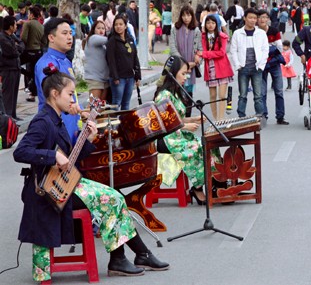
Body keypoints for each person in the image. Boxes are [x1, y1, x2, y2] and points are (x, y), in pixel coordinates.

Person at [14, 66, 168, 282]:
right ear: (55, 94)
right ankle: (129, 257)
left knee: (115, 196)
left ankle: (132, 256)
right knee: (112, 198)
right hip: (48, 194)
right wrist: (52, 156)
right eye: (70, 94)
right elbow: (21, 152)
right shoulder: (42, 121)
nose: (73, 100)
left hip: (64, 184)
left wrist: (87, 139)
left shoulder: (55, 119)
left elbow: (70, 158)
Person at [155, 56, 216, 204]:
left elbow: (176, 119)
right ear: (172, 74)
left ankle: (215, 181)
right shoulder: (164, 96)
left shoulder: (175, 93)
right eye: (183, 73)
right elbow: (164, 124)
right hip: (167, 140)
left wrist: (192, 120)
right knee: (196, 147)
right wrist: (184, 126)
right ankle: (198, 187)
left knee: (208, 144)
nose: (185, 77)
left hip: (177, 136)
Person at [229, 8, 269, 118]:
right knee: (242, 95)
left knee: (258, 95)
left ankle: (260, 117)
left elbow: (265, 50)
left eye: (255, 18)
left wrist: (261, 66)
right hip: (243, 68)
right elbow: (233, 50)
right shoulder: (237, 33)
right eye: (250, 17)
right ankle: (241, 117)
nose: (253, 20)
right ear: (245, 18)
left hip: (257, 68)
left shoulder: (261, 33)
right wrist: (238, 65)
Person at [169, 5, 202, 117]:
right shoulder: (175, 29)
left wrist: (197, 58)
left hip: (191, 69)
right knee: (177, 94)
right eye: (183, 15)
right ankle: (178, 119)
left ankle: (187, 118)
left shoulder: (196, 30)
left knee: (188, 95)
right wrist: (183, 63)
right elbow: (173, 48)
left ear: (192, 16)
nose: (186, 18)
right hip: (179, 67)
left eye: (188, 15)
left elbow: (200, 49)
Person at [257, 10, 289, 125]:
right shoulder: (254, 32)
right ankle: (263, 115)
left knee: (279, 90)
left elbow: (279, 47)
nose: (262, 20)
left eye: (265, 17)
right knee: (262, 92)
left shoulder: (274, 31)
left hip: (274, 63)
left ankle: (280, 116)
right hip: (260, 64)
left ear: (268, 19)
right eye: (260, 17)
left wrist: (269, 52)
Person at [200, 15, 234, 121]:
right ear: (205, 24)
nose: (210, 25)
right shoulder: (202, 37)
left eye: (213, 23)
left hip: (222, 68)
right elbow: (198, 51)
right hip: (209, 68)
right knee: (212, 96)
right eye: (208, 22)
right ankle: (215, 120)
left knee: (222, 95)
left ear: (217, 24)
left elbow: (222, 53)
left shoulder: (222, 36)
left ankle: (221, 119)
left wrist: (205, 54)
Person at [106, 14, 142, 110]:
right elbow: (110, 60)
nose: (118, 26)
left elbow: (135, 57)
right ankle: (114, 125)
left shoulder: (130, 39)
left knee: (126, 104)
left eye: (121, 24)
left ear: (125, 26)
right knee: (116, 103)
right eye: (116, 24)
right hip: (118, 78)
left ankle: (124, 124)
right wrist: (115, 77)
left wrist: (138, 75)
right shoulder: (112, 40)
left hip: (130, 77)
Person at [0, 15, 25, 120]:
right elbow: (13, 52)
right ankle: (8, 117)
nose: (16, 26)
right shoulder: (2, 37)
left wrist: (18, 47)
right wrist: (18, 48)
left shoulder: (12, 36)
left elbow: (21, 44)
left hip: (16, 67)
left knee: (14, 93)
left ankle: (13, 114)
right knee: (8, 94)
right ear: (10, 26)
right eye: (15, 24)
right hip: (8, 69)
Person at [21, 6, 45, 102]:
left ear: (31, 14)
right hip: (38, 52)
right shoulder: (41, 26)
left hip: (28, 51)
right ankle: (33, 94)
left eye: (28, 14)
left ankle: (28, 75)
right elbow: (44, 41)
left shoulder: (28, 24)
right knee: (35, 72)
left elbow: (23, 38)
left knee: (15, 64)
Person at [83, 21, 110, 101]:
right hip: (95, 79)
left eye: (103, 28)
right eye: (98, 28)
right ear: (93, 30)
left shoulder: (103, 45)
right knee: (94, 107)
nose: (101, 30)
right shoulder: (93, 38)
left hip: (104, 79)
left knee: (101, 107)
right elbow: (109, 39)